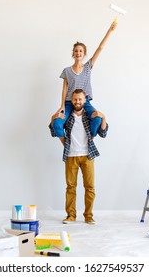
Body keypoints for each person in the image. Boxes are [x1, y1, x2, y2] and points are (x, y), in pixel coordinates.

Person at [52, 20, 116, 145]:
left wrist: (110, 30)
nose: (78, 53)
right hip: (70, 103)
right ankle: (66, 145)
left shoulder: (88, 67)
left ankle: (90, 142)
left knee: (97, 119)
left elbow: (100, 48)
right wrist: (62, 106)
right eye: (76, 51)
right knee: (57, 123)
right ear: (73, 53)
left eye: (81, 51)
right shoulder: (66, 71)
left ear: (84, 53)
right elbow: (64, 89)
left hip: (85, 102)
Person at [49, 89, 108, 224]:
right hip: (71, 156)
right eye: (75, 99)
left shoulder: (90, 117)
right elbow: (54, 130)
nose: (77, 102)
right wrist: (53, 117)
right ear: (72, 101)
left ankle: (88, 216)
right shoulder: (67, 117)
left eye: (80, 99)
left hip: (88, 155)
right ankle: (71, 215)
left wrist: (103, 117)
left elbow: (103, 133)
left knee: (90, 187)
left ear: (84, 101)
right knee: (70, 187)